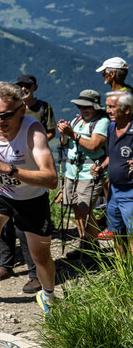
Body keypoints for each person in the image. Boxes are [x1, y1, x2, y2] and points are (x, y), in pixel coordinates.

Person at [0, 82, 59, 331]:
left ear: (21, 110)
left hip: (31, 197)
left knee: (41, 257)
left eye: (6, 115)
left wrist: (8, 169)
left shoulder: (34, 131)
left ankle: (49, 299)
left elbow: (51, 179)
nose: (0, 120)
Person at [0, 74, 55, 292]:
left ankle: (35, 274)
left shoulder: (42, 107)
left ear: (35, 87)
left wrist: (32, 144)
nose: (24, 88)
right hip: (5, 168)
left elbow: (50, 131)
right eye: (20, 85)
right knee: (5, 225)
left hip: (30, 169)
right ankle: (6, 264)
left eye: (27, 85)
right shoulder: (8, 106)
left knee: (26, 227)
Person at [56, 90, 109, 251]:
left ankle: (93, 248)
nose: (82, 110)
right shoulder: (77, 120)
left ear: (95, 107)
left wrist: (71, 133)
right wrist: (63, 134)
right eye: (80, 106)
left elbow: (94, 146)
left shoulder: (102, 122)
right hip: (72, 172)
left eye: (86, 107)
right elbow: (65, 144)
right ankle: (85, 244)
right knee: (75, 207)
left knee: (84, 208)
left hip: (90, 172)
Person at [92, 90, 133, 257]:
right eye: (107, 106)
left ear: (127, 109)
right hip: (114, 191)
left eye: (112, 107)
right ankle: (123, 270)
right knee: (117, 231)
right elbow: (111, 155)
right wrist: (101, 167)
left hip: (131, 191)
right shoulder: (111, 127)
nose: (107, 110)